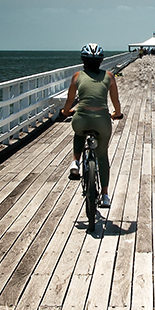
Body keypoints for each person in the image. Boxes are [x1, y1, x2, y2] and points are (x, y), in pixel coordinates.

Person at [61, 43, 123, 207]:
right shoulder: (109, 76)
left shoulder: (77, 76)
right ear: (101, 61)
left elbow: (69, 100)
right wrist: (116, 114)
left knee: (79, 132)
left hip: (81, 117)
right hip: (102, 120)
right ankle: (104, 195)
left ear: (83, 60)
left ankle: (75, 161)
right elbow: (115, 101)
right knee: (102, 156)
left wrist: (66, 112)